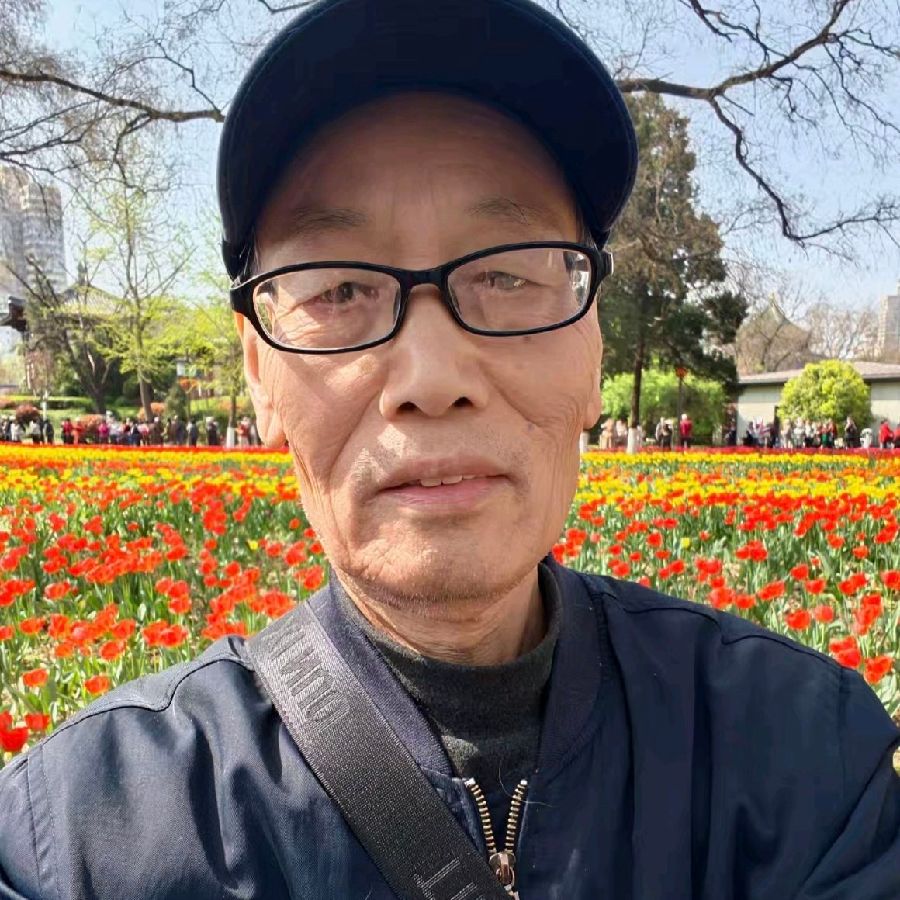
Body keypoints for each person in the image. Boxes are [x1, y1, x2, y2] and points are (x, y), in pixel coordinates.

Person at [1, 2, 897, 899]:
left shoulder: (804, 766)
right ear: (260, 374)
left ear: (591, 349)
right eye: (339, 289)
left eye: (505, 273)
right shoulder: (83, 839)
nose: (431, 377)